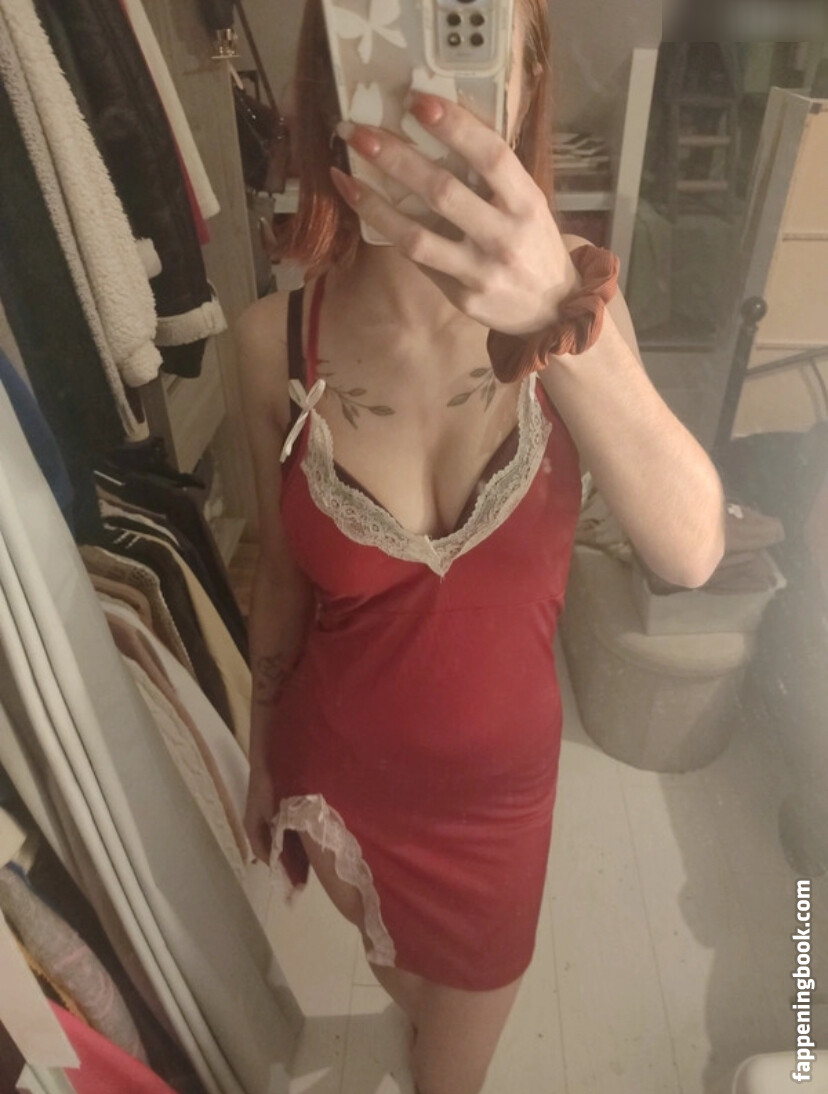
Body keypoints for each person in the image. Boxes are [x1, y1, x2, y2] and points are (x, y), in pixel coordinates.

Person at [236, 2, 726, 1092]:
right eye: (382, 31)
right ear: (331, 76)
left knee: (452, 1060)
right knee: (411, 992)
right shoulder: (273, 343)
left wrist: (558, 310)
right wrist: (261, 747)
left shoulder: (580, 303)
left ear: (522, 74)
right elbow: (279, 568)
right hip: (342, 777)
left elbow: (692, 548)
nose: (424, 91)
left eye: (462, 31)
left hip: (497, 810)